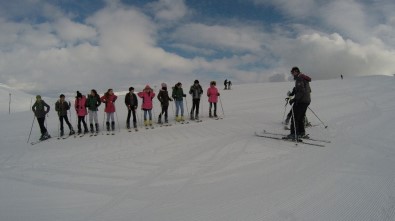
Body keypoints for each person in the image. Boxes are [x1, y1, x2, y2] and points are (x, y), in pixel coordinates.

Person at [286, 67, 311, 139]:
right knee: (300, 118)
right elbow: (306, 90)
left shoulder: (299, 78)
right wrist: (295, 91)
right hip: (306, 101)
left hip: (301, 101)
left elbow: (301, 91)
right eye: (292, 72)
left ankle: (294, 134)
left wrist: (294, 99)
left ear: (297, 72)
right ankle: (301, 132)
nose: (293, 74)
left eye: (293, 72)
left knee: (295, 118)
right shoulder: (304, 78)